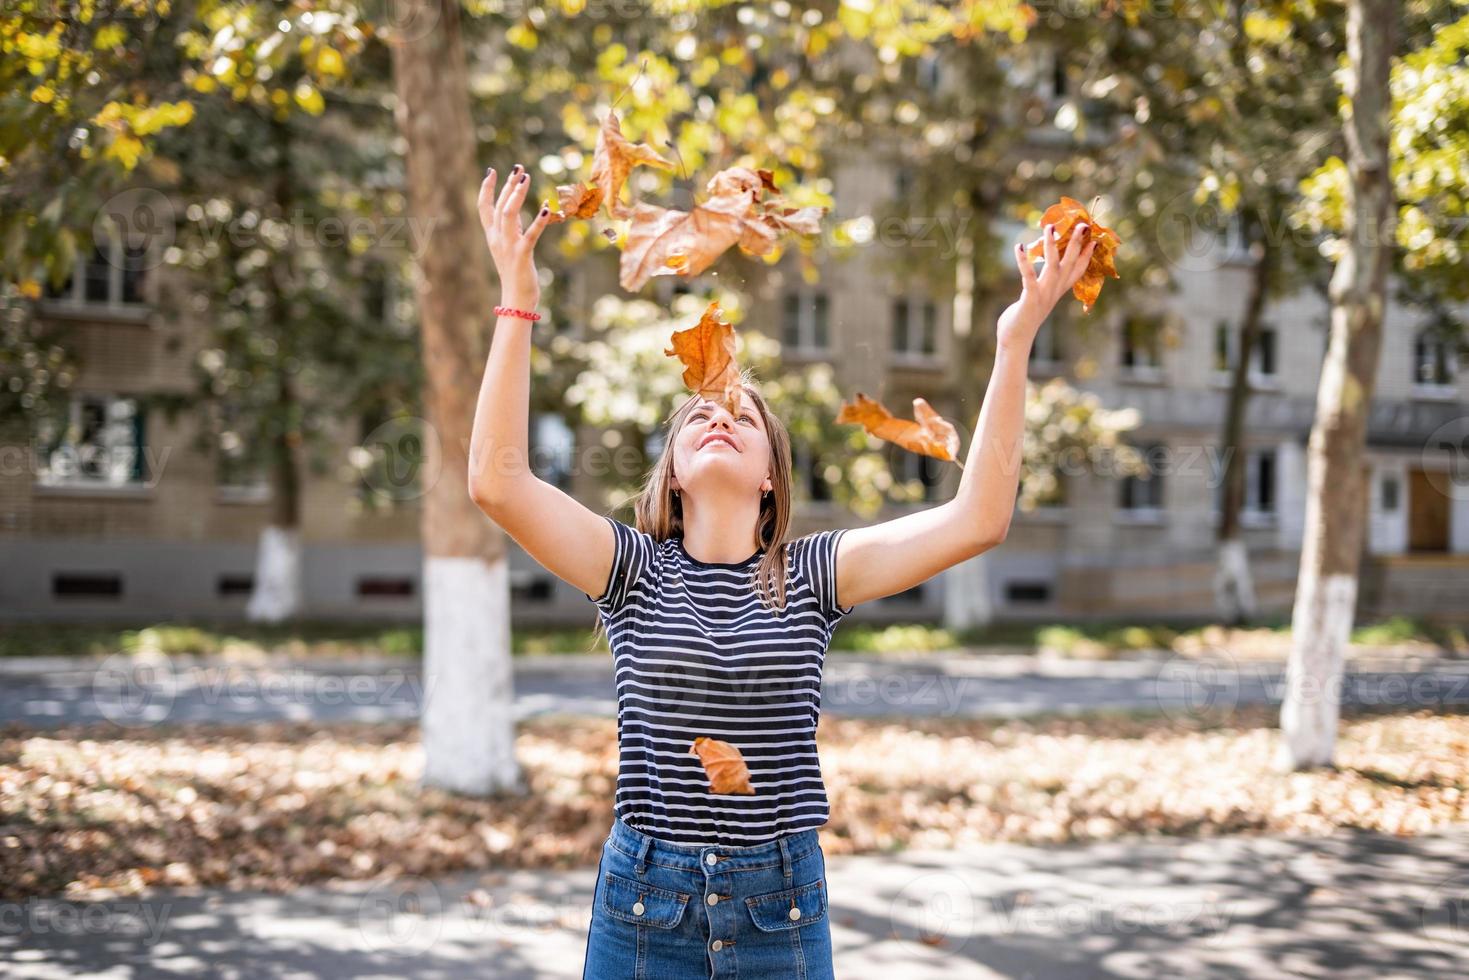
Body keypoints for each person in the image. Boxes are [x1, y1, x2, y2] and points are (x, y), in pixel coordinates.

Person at [469, 162, 1097, 979]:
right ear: (673, 475)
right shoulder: (628, 569)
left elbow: (979, 518)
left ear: (771, 473)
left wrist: (1012, 340)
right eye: (700, 414)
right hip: (642, 904)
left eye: (742, 416)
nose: (719, 417)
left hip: (780, 904)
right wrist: (517, 301)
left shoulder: (810, 575)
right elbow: (496, 482)